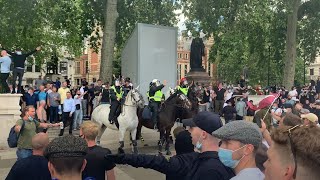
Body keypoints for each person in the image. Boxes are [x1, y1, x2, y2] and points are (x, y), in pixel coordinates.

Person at [106, 112, 235, 180]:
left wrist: (121, 158)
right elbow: (152, 161)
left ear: (203, 134)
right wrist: (123, 158)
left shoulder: (207, 168)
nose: (188, 131)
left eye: (191, 128)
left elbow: (153, 162)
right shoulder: (230, 163)